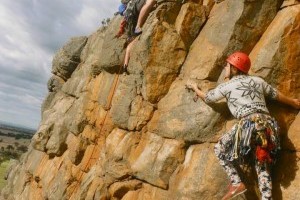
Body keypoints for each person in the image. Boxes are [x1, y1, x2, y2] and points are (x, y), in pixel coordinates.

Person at [186, 52, 300, 200]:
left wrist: (195, 88)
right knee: (262, 163)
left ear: (234, 68)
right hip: (267, 127)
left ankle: (236, 182)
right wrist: (292, 102)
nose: (225, 69)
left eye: (227, 66)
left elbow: (209, 98)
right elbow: (275, 94)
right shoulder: (258, 81)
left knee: (219, 148)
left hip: (248, 124)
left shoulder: (226, 86)